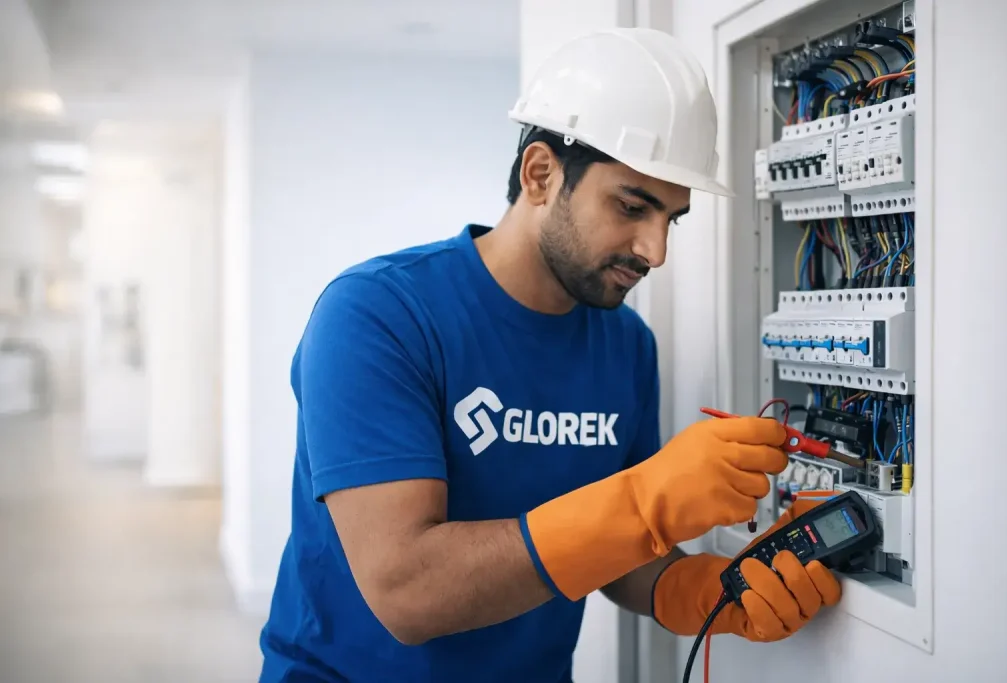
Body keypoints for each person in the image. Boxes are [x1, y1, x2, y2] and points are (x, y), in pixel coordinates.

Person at [258, 28, 841, 683]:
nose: (655, 249)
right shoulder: (377, 315)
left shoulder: (625, 345)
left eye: (671, 218)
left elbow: (613, 553)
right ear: (541, 174)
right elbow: (408, 590)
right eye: (632, 205)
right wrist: (646, 499)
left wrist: (704, 591)